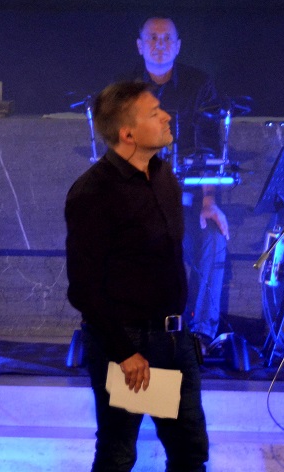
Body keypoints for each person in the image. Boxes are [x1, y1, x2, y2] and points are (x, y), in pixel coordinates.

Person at [65, 80, 209, 472]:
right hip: (128, 344)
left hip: (174, 340)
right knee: (118, 453)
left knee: (190, 451)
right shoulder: (94, 192)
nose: (166, 116)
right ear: (127, 133)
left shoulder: (164, 176)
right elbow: (84, 287)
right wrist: (125, 352)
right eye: (154, 113)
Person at [117, 17, 227, 341]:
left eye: (167, 39)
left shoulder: (200, 84)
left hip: (188, 202)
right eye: (153, 38)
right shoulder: (124, 86)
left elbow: (211, 145)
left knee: (214, 237)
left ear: (178, 46)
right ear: (140, 45)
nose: (160, 44)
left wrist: (209, 202)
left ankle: (202, 335)